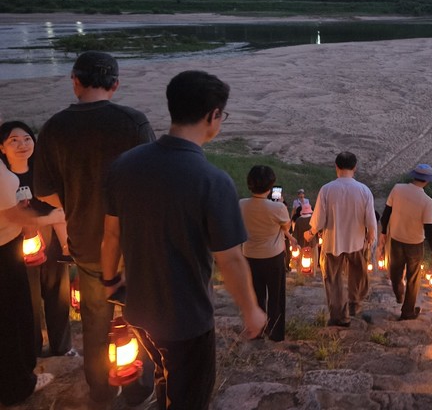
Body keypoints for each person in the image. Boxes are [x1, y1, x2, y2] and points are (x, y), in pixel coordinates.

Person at [101, 70, 267, 410]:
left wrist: (109, 280)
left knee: (164, 376)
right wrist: (251, 310)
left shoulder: (125, 165)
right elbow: (230, 259)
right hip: (187, 320)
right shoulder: (212, 180)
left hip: (139, 310)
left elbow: (111, 234)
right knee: (189, 396)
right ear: (213, 116)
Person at [33, 51, 155, 408]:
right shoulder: (133, 122)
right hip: (133, 246)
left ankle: (100, 390)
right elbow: (152, 182)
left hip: (86, 245)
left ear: (75, 81)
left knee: (95, 323)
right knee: (140, 317)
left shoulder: (54, 127)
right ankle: (138, 388)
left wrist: (74, 202)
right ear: (115, 84)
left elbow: (44, 192)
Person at [0, 120, 74, 358]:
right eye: (14, 140)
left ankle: (62, 347)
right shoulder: (4, 179)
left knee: (58, 295)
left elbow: (59, 208)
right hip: (17, 243)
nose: (22, 145)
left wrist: (65, 244)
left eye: (27, 139)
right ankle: (31, 351)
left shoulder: (43, 173)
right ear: (2, 148)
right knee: (28, 301)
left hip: (49, 237)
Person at [0, 155, 58, 405]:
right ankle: (18, 386)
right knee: (12, 319)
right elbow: (14, 215)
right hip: (3, 252)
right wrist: (54, 217)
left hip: (6, 246)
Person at [305, 151, 376, 327]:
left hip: (333, 241)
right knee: (358, 273)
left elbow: (319, 220)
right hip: (356, 241)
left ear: (336, 166)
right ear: (355, 167)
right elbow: (370, 219)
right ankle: (354, 303)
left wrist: (310, 233)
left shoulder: (327, 189)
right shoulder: (364, 190)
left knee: (333, 278)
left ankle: (339, 316)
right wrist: (371, 235)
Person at [378, 163, 432, 320]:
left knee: (395, 272)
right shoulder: (427, 201)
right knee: (413, 278)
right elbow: (429, 229)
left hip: (396, 239)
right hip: (415, 244)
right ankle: (407, 311)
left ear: (414, 176)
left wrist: (383, 232)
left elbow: (386, 213)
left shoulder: (397, 189)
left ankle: (398, 292)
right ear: (427, 181)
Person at [240, 165, 297, 341]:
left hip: (250, 255)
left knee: (255, 295)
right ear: (271, 186)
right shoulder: (277, 208)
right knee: (276, 296)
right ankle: (275, 333)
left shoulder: (241, 204)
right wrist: (281, 205)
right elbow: (286, 226)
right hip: (273, 256)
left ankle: (256, 331)